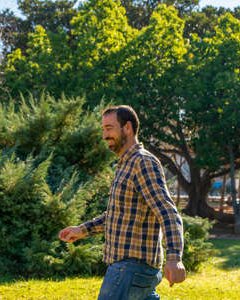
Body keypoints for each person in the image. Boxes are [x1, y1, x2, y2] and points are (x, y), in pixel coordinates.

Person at [59, 105, 186, 300]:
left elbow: (167, 211)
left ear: (127, 127)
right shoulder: (126, 164)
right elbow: (119, 214)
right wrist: (82, 230)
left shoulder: (142, 162)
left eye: (109, 128)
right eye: (103, 129)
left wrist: (174, 257)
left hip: (129, 268)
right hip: (132, 270)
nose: (104, 135)